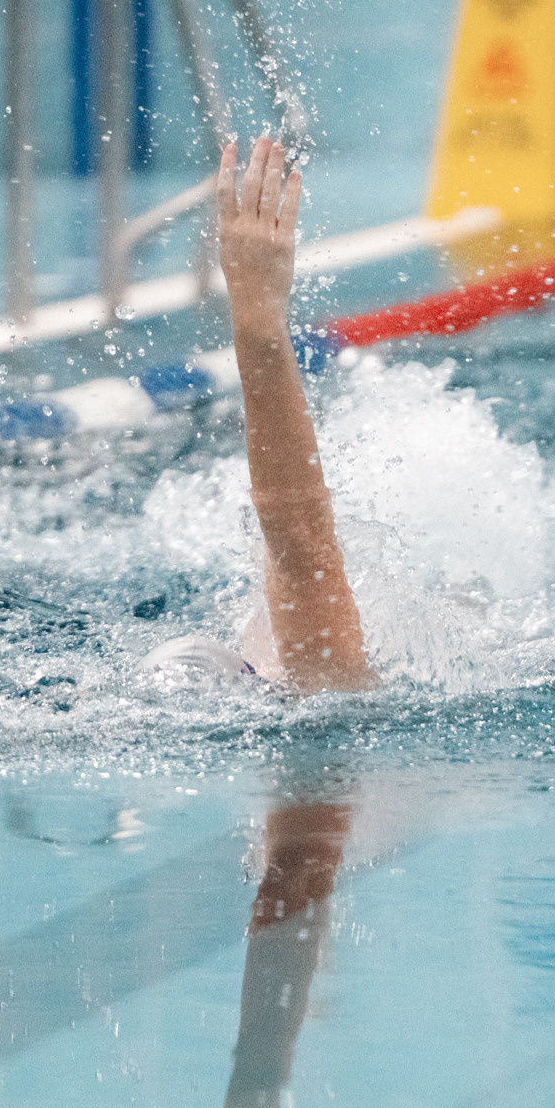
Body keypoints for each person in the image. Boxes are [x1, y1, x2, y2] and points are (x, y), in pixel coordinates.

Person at [143, 136, 373, 695]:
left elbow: (298, 535)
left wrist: (256, 316)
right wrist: (255, 314)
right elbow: (298, 538)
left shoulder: (314, 676)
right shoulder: (325, 679)